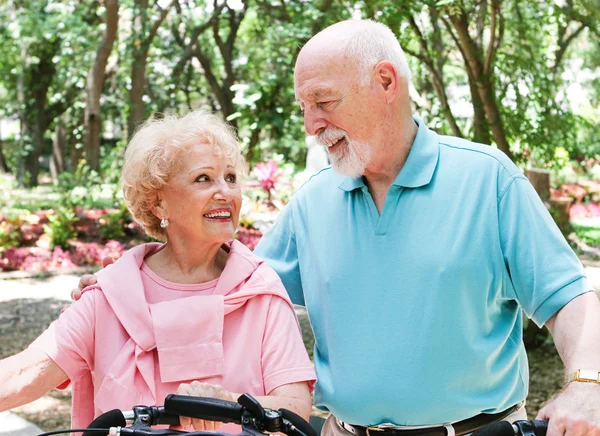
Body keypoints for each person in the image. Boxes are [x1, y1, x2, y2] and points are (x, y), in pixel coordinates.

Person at [75, 20, 600, 436]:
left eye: (324, 102)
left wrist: (587, 384)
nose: (311, 124)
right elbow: (229, 285)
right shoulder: (314, 201)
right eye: (305, 107)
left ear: (386, 82)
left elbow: (571, 299)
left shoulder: (489, 180)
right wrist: (126, 289)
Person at [0, 110, 316, 432]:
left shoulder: (260, 290)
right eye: (203, 178)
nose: (226, 192)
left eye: (231, 178)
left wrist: (226, 402)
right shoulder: (111, 293)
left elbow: (295, 407)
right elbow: (25, 374)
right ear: (159, 203)